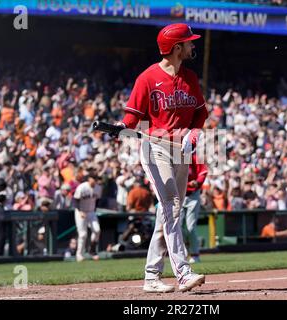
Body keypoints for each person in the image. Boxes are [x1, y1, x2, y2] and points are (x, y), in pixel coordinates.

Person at [116, 23, 208, 293]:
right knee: (170, 204)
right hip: (155, 147)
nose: (193, 45)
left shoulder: (190, 78)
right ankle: (183, 272)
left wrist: (194, 132)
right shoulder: (147, 78)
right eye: (189, 42)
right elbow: (132, 117)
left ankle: (151, 276)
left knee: (170, 212)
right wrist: (122, 127)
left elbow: (200, 113)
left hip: (181, 150)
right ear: (176, 48)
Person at [180, 152, 207, 264]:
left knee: (191, 227)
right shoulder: (174, 158)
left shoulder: (195, 158)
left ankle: (195, 254)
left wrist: (197, 182)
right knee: (178, 227)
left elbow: (203, 172)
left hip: (193, 195)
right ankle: (184, 252)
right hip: (179, 194)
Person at [73, 175, 102, 262]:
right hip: (80, 211)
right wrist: (80, 211)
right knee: (83, 234)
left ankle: (92, 251)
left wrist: (94, 210)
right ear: (89, 179)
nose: (95, 180)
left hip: (91, 212)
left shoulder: (98, 188)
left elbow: (97, 200)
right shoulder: (82, 187)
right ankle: (79, 255)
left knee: (97, 230)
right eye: (93, 178)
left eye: (96, 179)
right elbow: (75, 200)